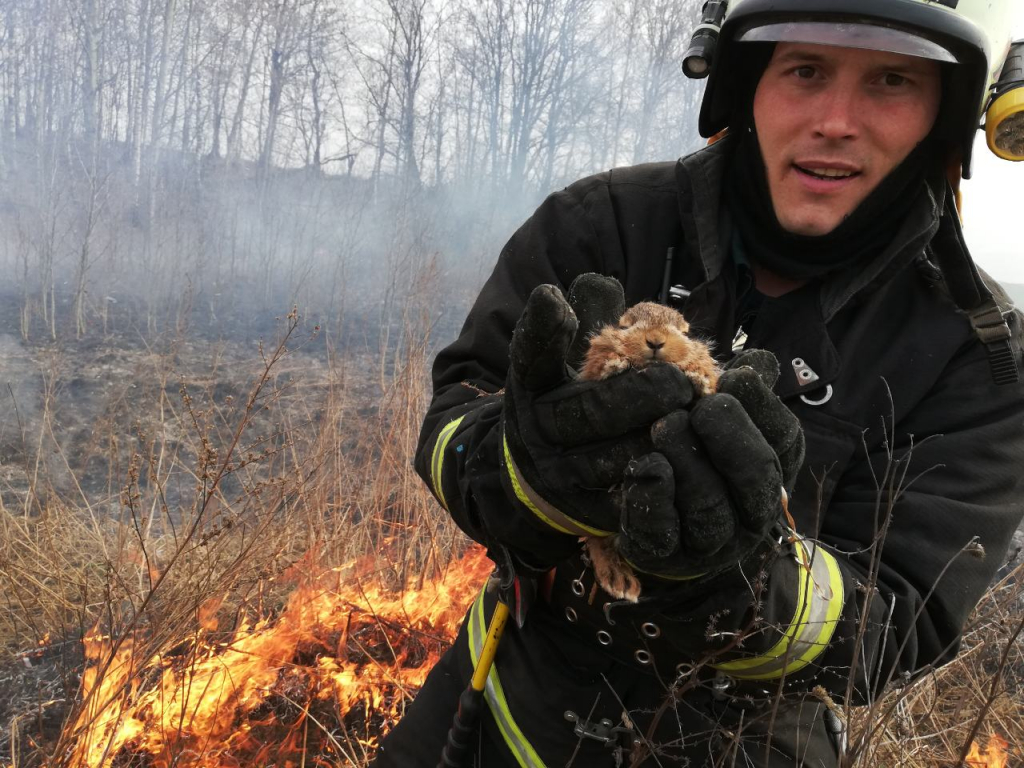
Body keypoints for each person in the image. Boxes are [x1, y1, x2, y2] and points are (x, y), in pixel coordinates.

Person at [373, 0, 1024, 765]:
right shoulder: (602, 223)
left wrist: (738, 576)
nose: (838, 120)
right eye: (805, 70)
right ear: (742, 80)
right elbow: (453, 419)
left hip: (748, 739)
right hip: (509, 691)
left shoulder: (975, 353)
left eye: (891, 80)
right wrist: (530, 465)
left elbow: (902, 619)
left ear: (944, 114)